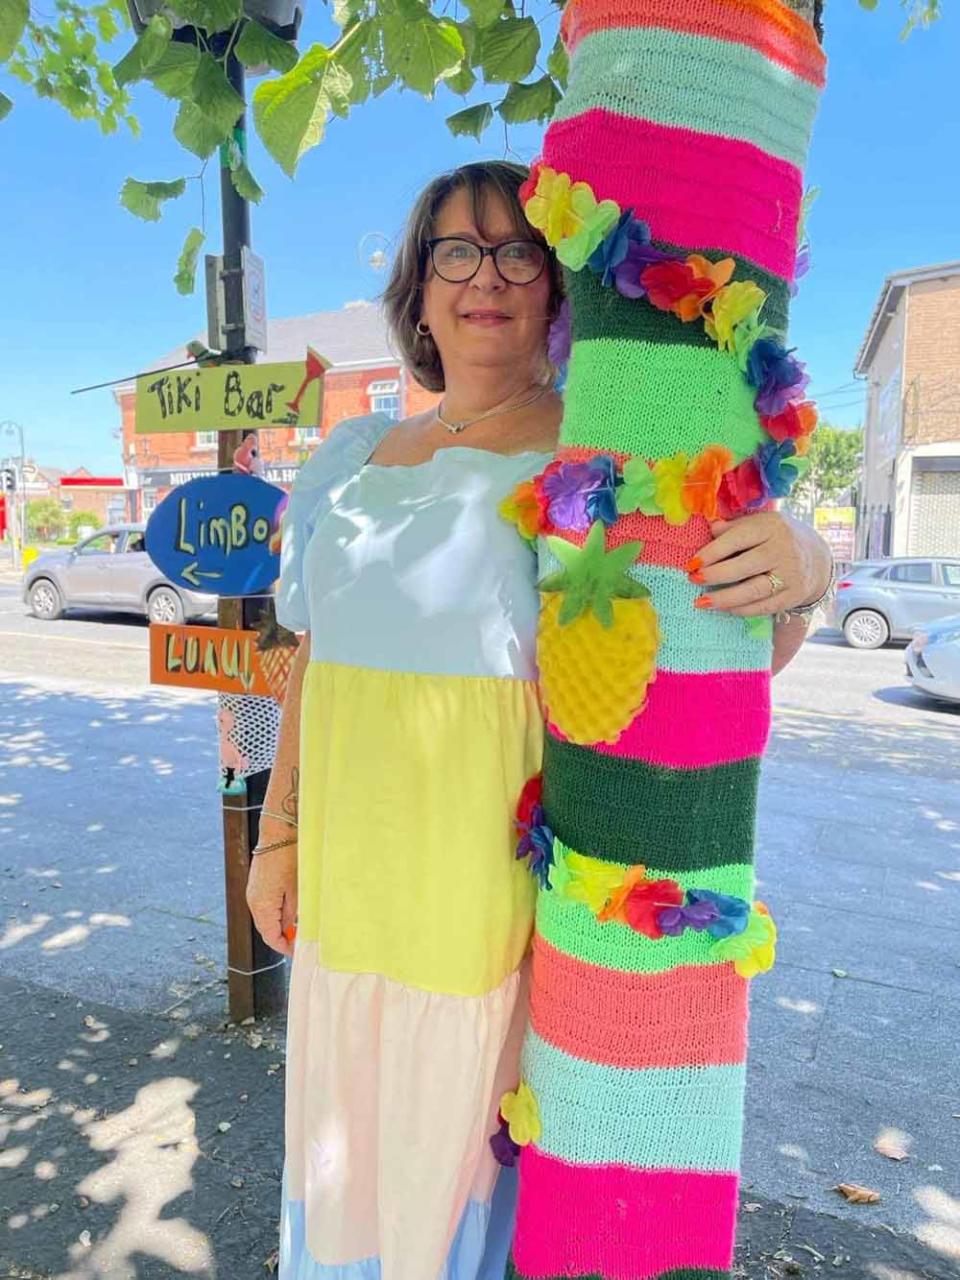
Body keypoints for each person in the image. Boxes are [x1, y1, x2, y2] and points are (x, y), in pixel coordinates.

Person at [246, 160, 833, 1280]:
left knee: (455, 1170)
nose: (488, 276)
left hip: (487, 901)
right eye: (455, 252)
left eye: (520, 249)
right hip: (349, 884)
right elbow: (309, 662)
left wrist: (804, 564)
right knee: (348, 1156)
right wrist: (275, 834)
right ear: (417, 292)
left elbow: (716, 648)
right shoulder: (351, 459)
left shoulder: (599, 453)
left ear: (558, 289)